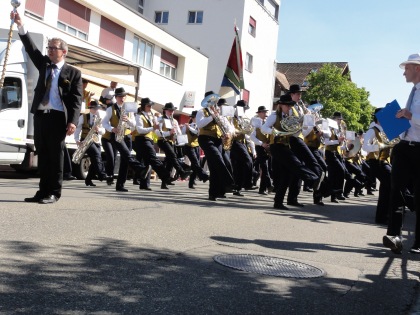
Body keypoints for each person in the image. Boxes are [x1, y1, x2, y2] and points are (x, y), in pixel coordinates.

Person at [12, 11, 82, 204]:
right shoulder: (44, 65)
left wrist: (73, 122)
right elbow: (31, 49)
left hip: (58, 117)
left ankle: (54, 192)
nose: (50, 51)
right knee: (42, 154)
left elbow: (77, 99)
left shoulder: (73, 73)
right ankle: (42, 191)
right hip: (41, 115)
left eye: (54, 48)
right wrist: (20, 25)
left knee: (55, 155)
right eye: (49, 47)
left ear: (63, 52)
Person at [383, 53, 420, 254]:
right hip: (406, 146)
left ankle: (418, 243)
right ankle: (394, 236)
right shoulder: (414, 90)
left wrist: (409, 115)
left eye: (406, 68)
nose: (404, 72)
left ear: (417, 68)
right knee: (395, 189)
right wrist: (400, 119)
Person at [261, 95, 319, 210]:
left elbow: (296, 132)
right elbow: (263, 128)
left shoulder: (290, 116)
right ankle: (313, 180)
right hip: (276, 146)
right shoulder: (274, 116)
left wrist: (307, 123)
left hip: (286, 146)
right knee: (296, 163)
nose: (289, 108)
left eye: (290, 106)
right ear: (281, 105)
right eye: (287, 105)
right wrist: (274, 131)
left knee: (286, 176)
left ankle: (278, 202)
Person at [102, 87, 149, 192]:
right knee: (127, 155)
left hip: (127, 135)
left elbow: (134, 124)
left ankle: (120, 185)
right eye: (119, 96)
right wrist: (111, 128)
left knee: (125, 161)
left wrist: (128, 120)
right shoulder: (111, 109)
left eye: (123, 96)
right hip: (117, 135)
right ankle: (140, 168)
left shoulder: (129, 108)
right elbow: (104, 123)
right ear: (116, 97)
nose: (122, 98)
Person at [287, 85, 323, 207]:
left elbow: (305, 129)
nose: (300, 96)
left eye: (300, 94)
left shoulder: (300, 107)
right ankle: (313, 182)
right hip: (293, 139)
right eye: (297, 94)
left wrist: (311, 120)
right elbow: (291, 123)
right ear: (291, 94)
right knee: (309, 165)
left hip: (300, 137)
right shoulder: (290, 107)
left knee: (298, 170)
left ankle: (293, 197)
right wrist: (305, 117)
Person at [196, 92, 234, 201]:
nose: (214, 103)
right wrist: (212, 117)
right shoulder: (201, 112)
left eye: (215, 101)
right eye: (211, 101)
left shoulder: (219, 113)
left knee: (214, 166)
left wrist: (228, 133)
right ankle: (229, 182)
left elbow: (228, 126)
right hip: (205, 138)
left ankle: (214, 193)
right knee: (218, 158)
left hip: (217, 139)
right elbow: (199, 124)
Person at [133, 97, 174, 189]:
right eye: (148, 106)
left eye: (151, 106)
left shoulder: (150, 115)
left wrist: (160, 128)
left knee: (148, 162)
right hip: (141, 140)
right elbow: (140, 130)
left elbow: (156, 131)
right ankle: (166, 176)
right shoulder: (139, 116)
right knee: (153, 158)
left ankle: (144, 185)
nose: (150, 107)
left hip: (149, 140)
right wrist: (153, 128)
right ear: (143, 106)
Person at [155, 102, 192, 188]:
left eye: (172, 110)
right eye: (169, 110)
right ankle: (182, 171)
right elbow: (157, 132)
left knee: (170, 162)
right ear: (165, 111)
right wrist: (169, 132)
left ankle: (165, 182)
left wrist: (179, 135)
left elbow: (178, 132)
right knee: (172, 155)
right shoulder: (160, 119)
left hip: (171, 142)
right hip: (163, 141)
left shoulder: (174, 120)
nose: (171, 112)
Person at [74, 100, 109, 187]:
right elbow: (77, 129)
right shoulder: (83, 117)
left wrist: (98, 129)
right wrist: (77, 140)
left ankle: (88, 179)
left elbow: (103, 131)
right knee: (96, 155)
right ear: (91, 108)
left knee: (95, 160)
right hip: (86, 140)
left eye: (98, 108)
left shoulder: (100, 118)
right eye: (96, 108)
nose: (97, 110)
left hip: (95, 140)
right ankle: (102, 174)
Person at [230, 100, 257, 194]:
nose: (244, 110)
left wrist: (253, 149)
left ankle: (237, 188)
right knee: (248, 161)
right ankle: (248, 183)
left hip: (242, 142)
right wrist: (243, 131)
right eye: (243, 108)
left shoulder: (242, 119)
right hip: (234, 142)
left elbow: (248, 136)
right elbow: (231, 131)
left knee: (239, 166)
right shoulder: (232, 118)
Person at [182, 110, 209, 189]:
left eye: (195, 117)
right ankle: (203, 176)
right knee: (195, 162)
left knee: (195, 165)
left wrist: (189, 127)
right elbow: (182, 134)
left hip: (196, 147)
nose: (194, 118)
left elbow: (196, 132)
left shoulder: (199, 126)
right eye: (193, 117)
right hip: (189, 147)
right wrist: (183, 128)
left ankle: (191, 183)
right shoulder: (188, 125)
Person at [250, 105, 273, 195]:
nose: (265, 114)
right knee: (264, 166)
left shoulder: (267, 123)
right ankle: (269, 185)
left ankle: (262, 189)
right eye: (263, 112)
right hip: (259, 147)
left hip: (267, 146)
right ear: (259, 113)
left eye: (266, 112)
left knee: (266, 167)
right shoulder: (255, 122)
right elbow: (252, 136)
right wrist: (261, 143)